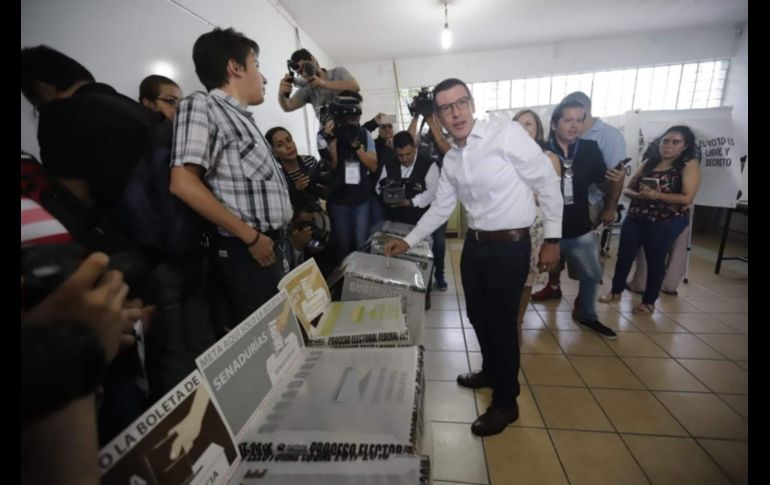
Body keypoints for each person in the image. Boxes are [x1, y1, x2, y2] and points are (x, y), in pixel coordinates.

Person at [385, 78, 563, 437]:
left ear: (472, 103)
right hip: (476, 247)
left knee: (501, 322)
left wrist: (553, 239)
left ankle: (506, 400)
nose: (456, 112)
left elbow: (546, 182)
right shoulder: (452, 159)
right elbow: (441, 207)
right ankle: (491, 370)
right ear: (438, 116)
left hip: (511, 246)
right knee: (477, 316)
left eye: (461, 103)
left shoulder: (507, 135)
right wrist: (411, 240)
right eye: (446, 108)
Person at [169, 27, 292, 326]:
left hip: (268, 245)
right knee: (269, 344)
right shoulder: (203, 105)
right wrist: (250, 237)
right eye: (257, 67)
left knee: (286, 336)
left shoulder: (243, 119)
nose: (263, 78)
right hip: (248, 249)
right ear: (235, 67)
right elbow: (183, 182)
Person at [532, 91, 626, 301]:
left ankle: (586, 313)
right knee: (543, 270)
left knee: (592, 274)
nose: (574, 125)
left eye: (579, 120)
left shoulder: (589, 149)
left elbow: (601, 183)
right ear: (555, 125)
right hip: (548, 225)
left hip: (579, 224)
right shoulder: (541, 151)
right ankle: (552, 288)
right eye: (568, 120)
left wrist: (614, 180)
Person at [599, 126, 701, 314]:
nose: (668, 145)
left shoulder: (688, 165)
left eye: (675, 142)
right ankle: (615, 291)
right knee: (624, 256)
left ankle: (649, 301)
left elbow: (687, 198)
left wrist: (657, 195)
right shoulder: (649, 162)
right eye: (665, 141)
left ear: (685, 146)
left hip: (665, 220)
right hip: (636, 216)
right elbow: (628, 189)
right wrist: (640, 194)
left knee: (655, 260)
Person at [512, 109, 561, 345]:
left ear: (538, 130)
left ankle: (517, 323)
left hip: (534, 225)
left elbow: (553, 200)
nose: (523, 129)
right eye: (518, 125)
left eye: (528, 125)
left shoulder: (548, 158)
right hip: (508, 225)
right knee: (508, 277)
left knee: (525, 279)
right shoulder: (504, 158)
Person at [278, 48, 360, 120]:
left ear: (313, 59)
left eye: (305, 67)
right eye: (300, 72)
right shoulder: (307, 89)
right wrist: (281, 94)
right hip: (328, 135)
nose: (304, 74)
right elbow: (288, 107)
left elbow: (355, 87)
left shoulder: (338, 72)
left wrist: (323, 84)